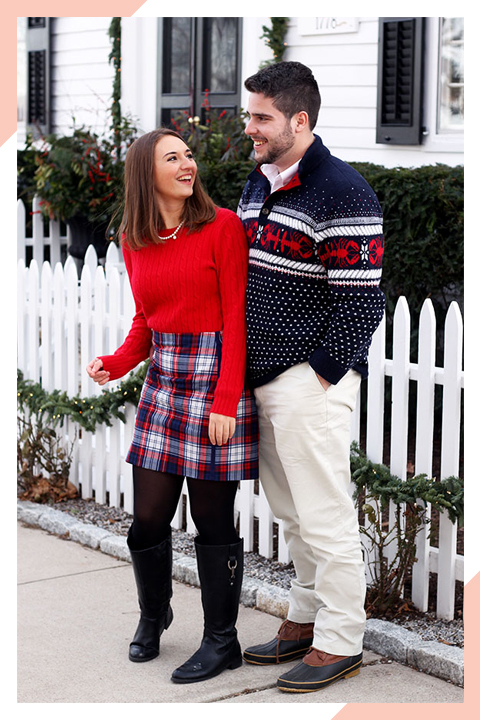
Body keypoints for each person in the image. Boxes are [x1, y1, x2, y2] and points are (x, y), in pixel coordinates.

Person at [86, 127, 258, 684]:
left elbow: (237, 319)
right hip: (164, 381)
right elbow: (147, 320)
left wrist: (226, 399)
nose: (188, 165)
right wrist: (114, 362)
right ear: (146, 172)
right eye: (172, 158)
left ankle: (221, 640)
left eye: (189, 156)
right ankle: (154, 615)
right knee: (148, 519)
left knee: (212, 520)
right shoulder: (134, 242)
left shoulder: (222, 228)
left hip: (215, 382)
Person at [237, 61, 386, 693]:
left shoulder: (344, 190)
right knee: (290, 514)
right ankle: (302, 620)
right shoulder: (259, 180)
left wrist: (321, 375)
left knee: (324, 514)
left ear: (300, 119)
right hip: (261, 377)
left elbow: (363, 299)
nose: (250, 128)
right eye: (250, 115)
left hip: (307, 383)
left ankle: (342, 638)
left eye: (261, 117)